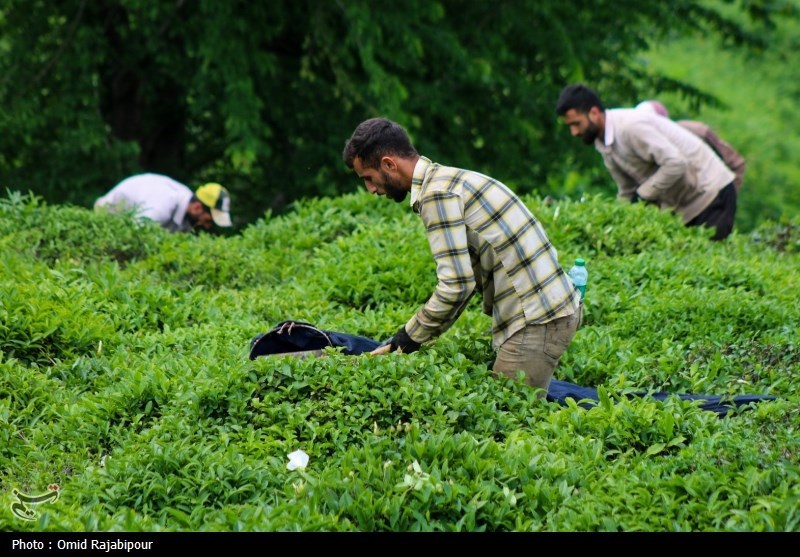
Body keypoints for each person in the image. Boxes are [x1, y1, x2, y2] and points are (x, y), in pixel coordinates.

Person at [342, 117, 582, 395]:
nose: (371, 190)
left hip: (538, 320)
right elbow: (464, 278)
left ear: (389, 164)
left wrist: (407, 338)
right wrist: (416, 336)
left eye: (368, 179)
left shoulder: (437, 195)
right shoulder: (450, 179)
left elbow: (456, 285)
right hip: (549, 309)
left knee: (510, 418)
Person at [555, 84, 737, 241]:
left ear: (594, 113)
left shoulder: (630, 127)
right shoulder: (603, 142)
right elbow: (626, 191)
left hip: (712, 194)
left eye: (576, 124)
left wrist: (643, 194)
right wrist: (614, 223)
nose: (574, 132)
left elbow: (676, 163)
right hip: (685, 204)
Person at [636, 100, 746, 193]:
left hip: (714, 195)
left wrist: (729, 193)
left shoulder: (698, 132)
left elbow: (736, 163)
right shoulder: (644, 148)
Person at [94, 173, 232, 232]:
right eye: (208, 220)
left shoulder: (186, 212)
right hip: (108, 215)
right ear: (197, 208)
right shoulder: (162, 205)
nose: (207, 226)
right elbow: (136, 235)